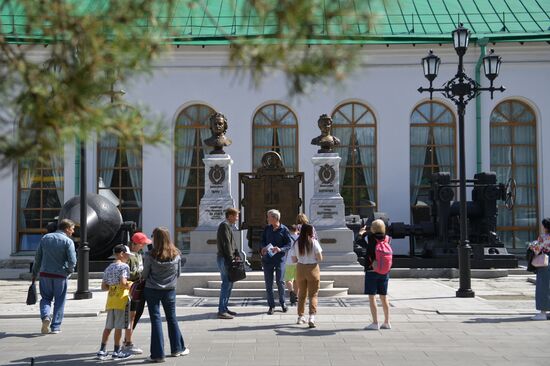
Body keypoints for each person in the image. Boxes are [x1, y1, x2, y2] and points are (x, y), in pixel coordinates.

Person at [143, 227, 189, 363]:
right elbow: (178, 274)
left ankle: (157, 354)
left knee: (156, 320)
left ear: (155, 239)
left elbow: (145, 275)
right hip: (169, 290)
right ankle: (177, 349)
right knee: (171, 318)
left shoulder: (150, 255)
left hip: (152, 289)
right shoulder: (176, 254)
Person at [31, 218, 77, 335]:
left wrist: (34, 273)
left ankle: (46, 316)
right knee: (59, 301)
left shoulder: (45, 238)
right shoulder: (68, 241)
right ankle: (55, 326)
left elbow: (38, 258)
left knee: (46, 298)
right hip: (60, 275)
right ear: (67, 228)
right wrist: (69, 271)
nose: (73, 231)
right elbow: (72, 260)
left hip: (45, 274)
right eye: (72, 229)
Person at [95, 244, 134, 360]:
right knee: (119, 326)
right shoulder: (124, 267)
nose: (128, 257)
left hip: (111, 299)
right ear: (121, 254)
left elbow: (103, 286)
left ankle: (102, 350)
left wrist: (113, 287)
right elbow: (123, 282)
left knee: (108, 326)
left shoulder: (108, 268)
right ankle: (117, 351)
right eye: (127, 255)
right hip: (121, 299)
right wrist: (131, 284)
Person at [355, 219, 392, 330]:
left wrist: (361, 233)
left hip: (371, 270)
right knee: (384, 297)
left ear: (373, 228)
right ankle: (387, 322)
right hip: (385, 272)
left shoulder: (369, 238)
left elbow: (358, 241)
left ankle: (375, 323)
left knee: (372, 297)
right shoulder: (388, 238)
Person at [122, 231, 151, 354]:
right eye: (142, 244)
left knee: (135, 315)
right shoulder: (128, 256)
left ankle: (127, 341)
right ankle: (127, 343)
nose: (144, 246)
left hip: (139, 288)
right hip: (131, 289)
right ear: (135, 244)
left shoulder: (139, 254)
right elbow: (125, 274)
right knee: (131, 316)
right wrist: (141, 274)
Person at [291, 223, 323, 328]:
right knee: (313, 294)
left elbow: (294, 259)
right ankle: (312, 317)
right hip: (312, 268)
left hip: (300, 268)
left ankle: (300, 317)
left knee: (301, 294)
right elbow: (320, 258)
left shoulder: (297, 243)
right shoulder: (314, 242)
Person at [261, 209, 292, 314]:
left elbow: (289, 244)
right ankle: (271, 306)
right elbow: (262, 241)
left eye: (268, 217)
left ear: (275, 218)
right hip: (267, 260)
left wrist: (280, 249)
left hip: (279, 260)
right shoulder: (267, 229)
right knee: (268, 284)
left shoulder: (284, 230)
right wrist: (263, 248)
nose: (267, 219)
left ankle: (283, 303)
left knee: (280, 282)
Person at [217, 208, 240, 319]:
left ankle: (224, 307)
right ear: (230, 216)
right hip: (225, 259)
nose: (237, 218)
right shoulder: (224, 226)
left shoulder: (227, 226)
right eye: (236, 216)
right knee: (226, 284)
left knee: (229, 284)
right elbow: (227, 244)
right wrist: (231, 259)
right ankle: (221, 310)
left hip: (227, 258)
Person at [529, 218, 550, 320]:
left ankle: (543, 313)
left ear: (545, 227)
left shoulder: (543, 237)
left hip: (545, 263)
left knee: (543, 287)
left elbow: (536, 249)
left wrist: (531, 245)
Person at [285, 224, 299, 306]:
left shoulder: (287, 238)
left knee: (288, 279)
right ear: (297, 230)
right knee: (297, 280)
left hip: (288, 261)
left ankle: (291, 292)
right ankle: (296, 296)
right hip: (298, 261)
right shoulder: (300, 238)